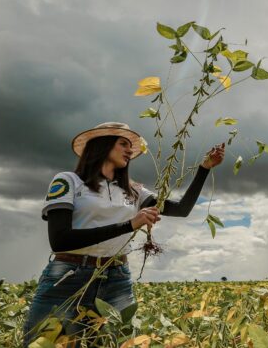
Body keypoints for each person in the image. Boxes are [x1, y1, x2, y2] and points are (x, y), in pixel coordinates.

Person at [22, 122, 224, 345]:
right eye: (123, 144)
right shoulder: (68, 181)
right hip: (68, 277)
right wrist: (130, 225)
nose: (130, 150)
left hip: (116, 279)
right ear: (102, 145)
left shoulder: (133, 189)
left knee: (118, 342)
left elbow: (181, 209)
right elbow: (60, 240)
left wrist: (205, 168)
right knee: (44, 342)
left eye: (131, 146)